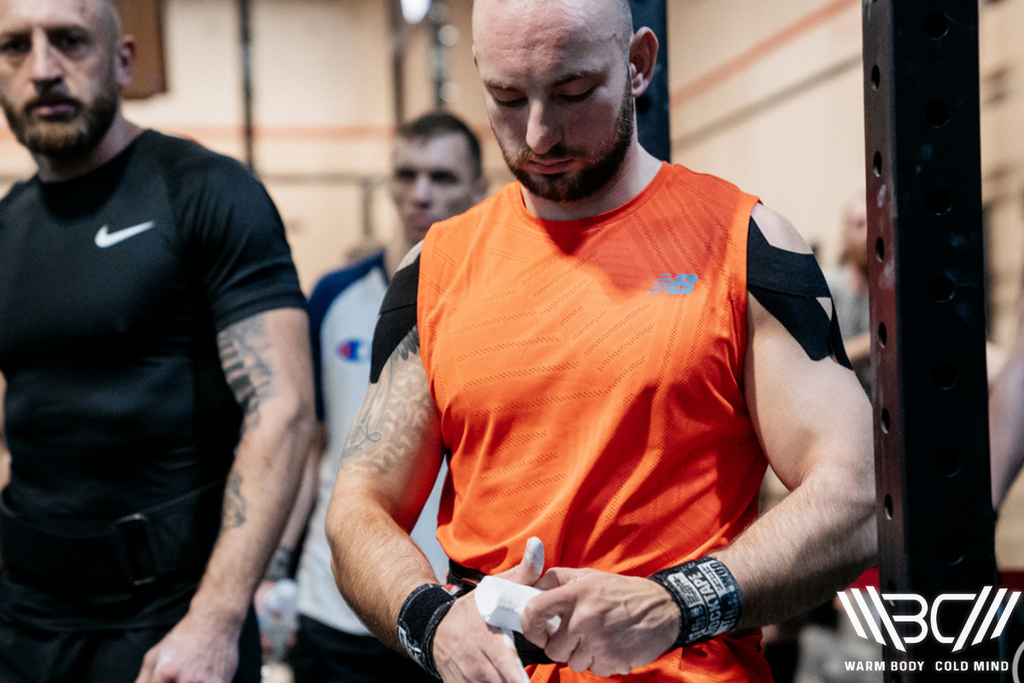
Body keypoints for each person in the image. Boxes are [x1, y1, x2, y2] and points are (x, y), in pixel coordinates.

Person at [325, 0, 877, 681]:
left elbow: (855, 494)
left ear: (638, 64)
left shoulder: (743, 245)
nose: (538, 134)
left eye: (572, 92)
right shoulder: (435, 270)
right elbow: (358, 506)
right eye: (505, 96)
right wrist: (432, 623)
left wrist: (673, 603)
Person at [0, 1, 315, 682]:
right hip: (26, 614)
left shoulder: (206, 191)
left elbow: (283, 408)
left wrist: (217, 618)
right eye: (15, 47)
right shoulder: (6, 226)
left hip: (170, 613)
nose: (42, 69)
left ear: (123, 61)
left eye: (69, 41)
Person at [270, 111, 487, 682]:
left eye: (441, 177)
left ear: (478, 188)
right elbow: (310, 445)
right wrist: (277, 568)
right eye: (406, 174)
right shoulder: (336, 296)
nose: (420, 194)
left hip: (452, 609)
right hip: (334, 604)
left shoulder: (502, 305)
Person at [823, 192, 871, 393]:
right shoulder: (827, 287)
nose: (870, 232)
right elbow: (816, 368)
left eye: (875, 222)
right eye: (860, 225)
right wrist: (875, 343)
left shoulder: (894, 296)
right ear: (844, 236)